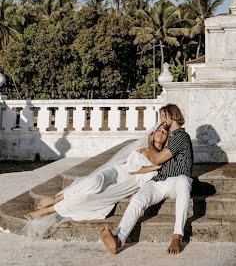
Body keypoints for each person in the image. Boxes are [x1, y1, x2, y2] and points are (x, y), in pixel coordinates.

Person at [23, 124, 169, 223]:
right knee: (95, 182)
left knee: (89, 198)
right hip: (118, 172)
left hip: (127, 185)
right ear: (153, 133)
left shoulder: (163, 155)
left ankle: (49, 210)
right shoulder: (142, 148)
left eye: (164, 132)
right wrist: (154, 167)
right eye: (159, 130)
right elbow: (132, 169)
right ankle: (57, 198)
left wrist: (154, 167)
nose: (161, 133)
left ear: (167, 137)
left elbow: (146, 177)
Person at [100, 103, 193, 255]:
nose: (161, 120)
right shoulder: (170, 136)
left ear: (173, 115)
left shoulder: (181, 136)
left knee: (183, 181)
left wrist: (149, 142)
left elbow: (157, 159)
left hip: (178, 181)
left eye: (164, 116)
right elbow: (156, 156)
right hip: (160, 180)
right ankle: (118, 239)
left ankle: (177, 235)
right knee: (137, 199)